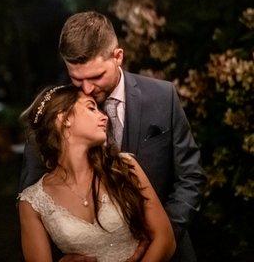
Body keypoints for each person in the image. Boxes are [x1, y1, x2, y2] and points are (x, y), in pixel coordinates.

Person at [19, 11, 206, 261]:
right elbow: (37, 197)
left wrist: (159, 236)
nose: (87, 88)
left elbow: (190, 176)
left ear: (118, 56)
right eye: (77, 78)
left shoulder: (162, 97)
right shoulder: (55, 113)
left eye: (96, 76)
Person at [18, 85, 176, 261]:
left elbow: (165, 239)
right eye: (91, 107)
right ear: (64, 118)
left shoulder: (124, 167)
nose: (104, 117)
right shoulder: (32, 203)